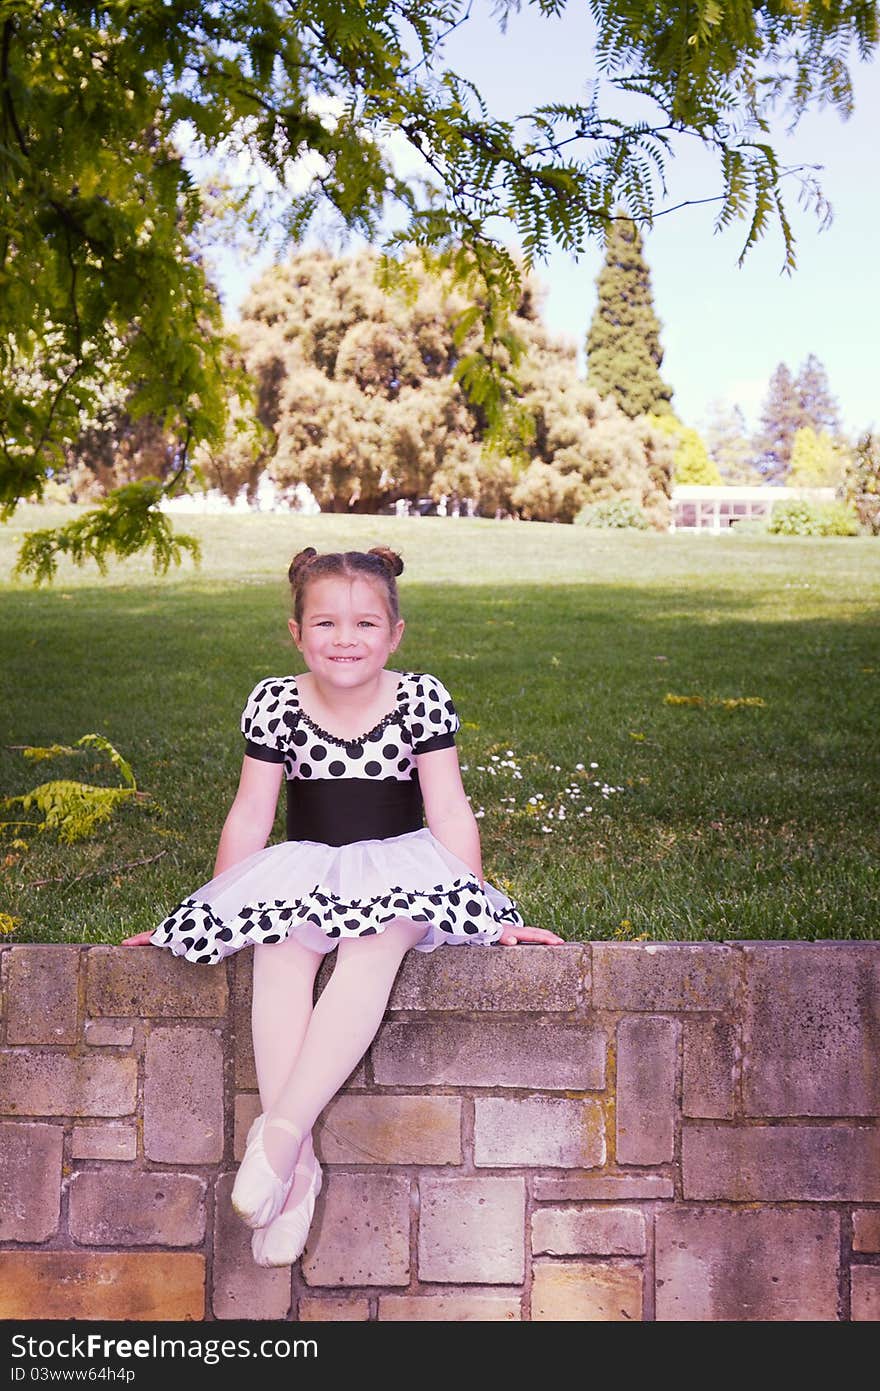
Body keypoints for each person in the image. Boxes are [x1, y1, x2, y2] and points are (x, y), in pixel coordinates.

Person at [122, 545, 563, 1268]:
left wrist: (480, 907)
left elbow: (450, 809)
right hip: (308, 865)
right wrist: (210, 912)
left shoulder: (421, 698)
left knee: (376, 940)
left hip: (400, 867)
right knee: (281, 943)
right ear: (296, 632)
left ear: (394, 633)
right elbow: (250, 813)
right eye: (325, 622)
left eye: (364, 622)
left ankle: (282, 1136)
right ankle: (295, 1179)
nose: (345, 637)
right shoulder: (275, 701)